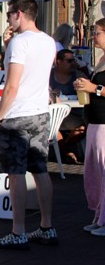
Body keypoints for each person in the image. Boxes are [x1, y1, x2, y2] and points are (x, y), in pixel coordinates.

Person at [0, 0, 57, 250]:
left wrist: (0, 116)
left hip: (18, 115)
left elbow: (13, 84)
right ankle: (47, 227)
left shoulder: (20, 42)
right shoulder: (48, 41)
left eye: (9, 14)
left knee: (16, 174)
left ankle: (18, 231)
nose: (7, 18)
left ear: (19, 13)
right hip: (40, 112)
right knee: (40, 170)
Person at [73, 18, 105, 236]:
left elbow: (99, 88)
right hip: (94, 120)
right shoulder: (102, 58)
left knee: (103, 170)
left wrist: (95, 87)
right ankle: (99, 216)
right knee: (94, 172)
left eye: (97, 33)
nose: (94, 36)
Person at [50, 49, 86, 163]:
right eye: (69, 61)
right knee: (53, 126)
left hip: (74, 113)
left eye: (73, 60)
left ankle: (64, 148)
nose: (72, 64)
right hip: (53, 114)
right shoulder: (48, 75)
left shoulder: (78, 75)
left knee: (84, 127)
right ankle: (67, 151)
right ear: (58, 61)